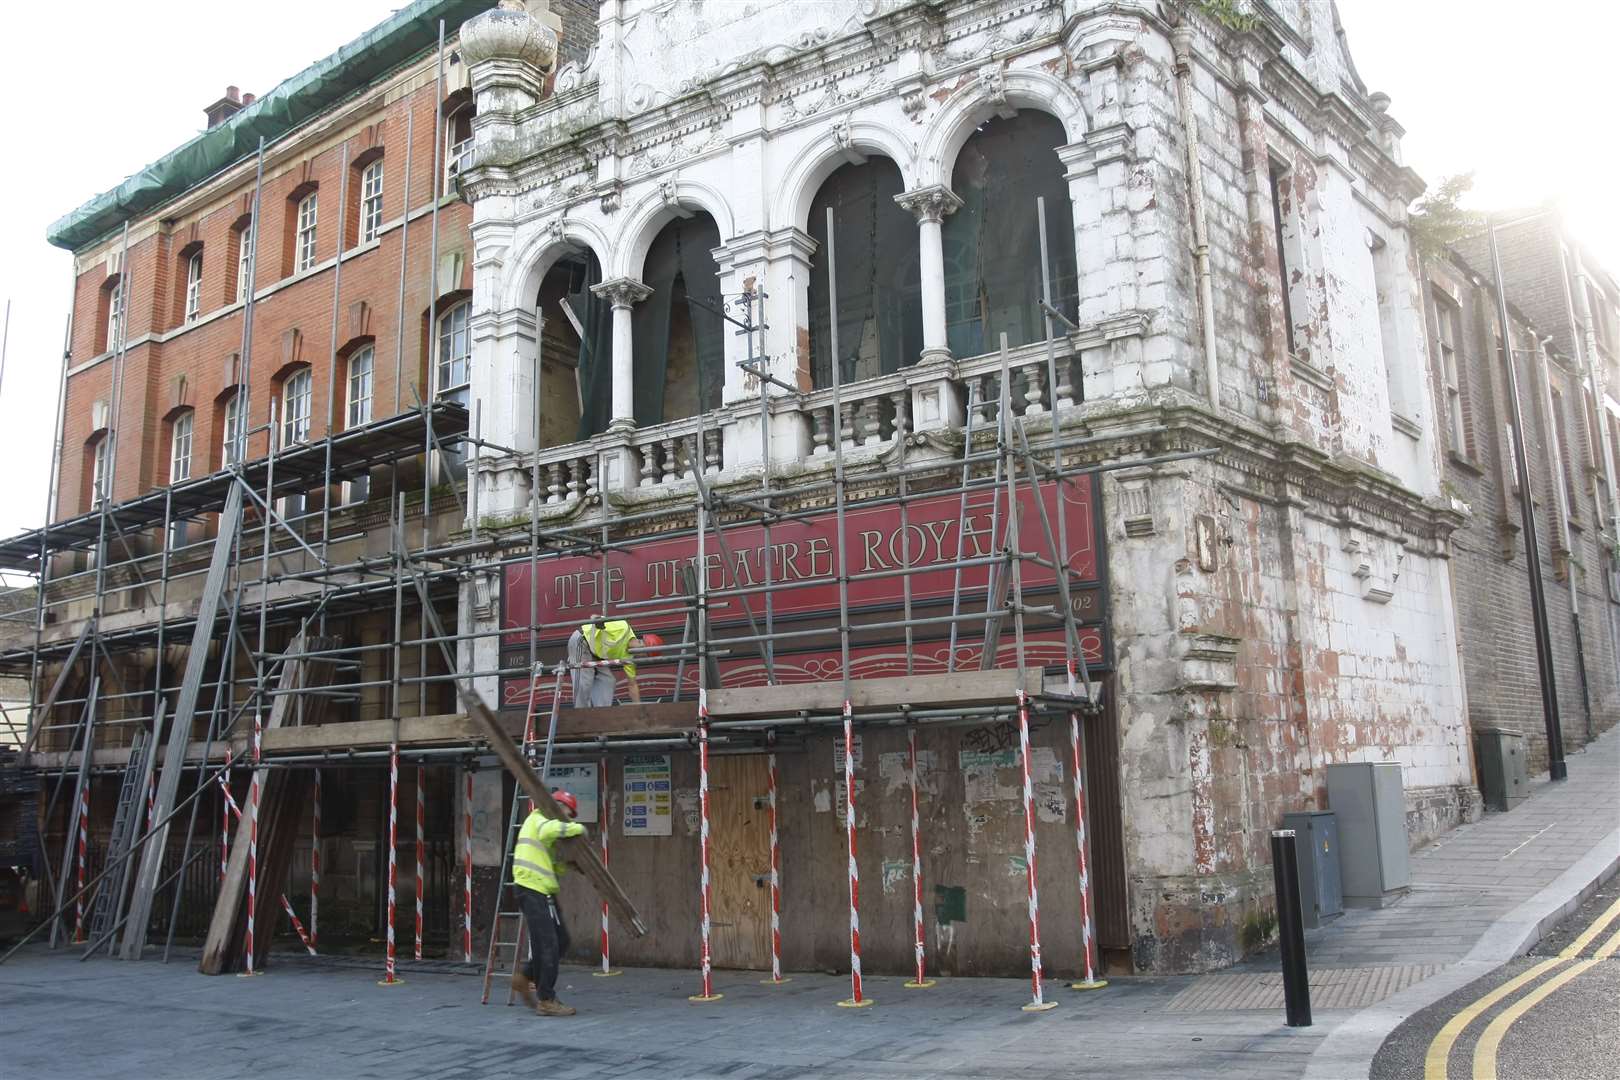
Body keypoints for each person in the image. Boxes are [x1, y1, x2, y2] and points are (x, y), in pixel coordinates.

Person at [510, 789, 587, 1016]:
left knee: (560, 941)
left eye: (572, 815)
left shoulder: (542, 824)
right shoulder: (541, 819)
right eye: (568, 812)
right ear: (557, 807)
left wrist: (568, 864)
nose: (568, 817)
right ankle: (546, 999)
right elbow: (549, 831)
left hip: (539, 889)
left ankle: (525, 976)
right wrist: (578, 828)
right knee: (549, 944)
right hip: (534, 888)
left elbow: (552, 862)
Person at [567, 620, 662, 707]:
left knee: (608, 681)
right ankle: (581, 716)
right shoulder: (623, 628)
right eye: (645, 655)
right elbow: (598, 620)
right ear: (643, 644)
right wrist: (598, 621)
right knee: (583, 683)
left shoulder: (629, 659)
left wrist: (638, 708)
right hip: (582, 641)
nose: (642, 658)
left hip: (595, 653)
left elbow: (632, 685)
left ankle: (600, 714)